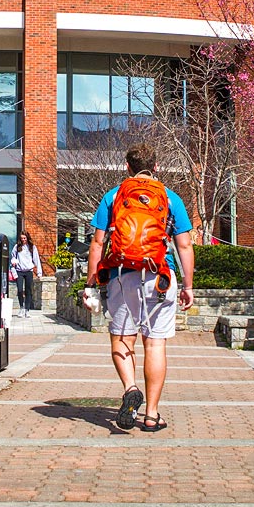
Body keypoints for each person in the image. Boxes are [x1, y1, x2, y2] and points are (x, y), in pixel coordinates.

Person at [85, 143, 195, 433]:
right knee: (154, 343)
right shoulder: (170, 198)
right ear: (156, 166)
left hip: (123, 275)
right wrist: (188, 285)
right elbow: (184, 245)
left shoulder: (113, 197)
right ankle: (151, 414)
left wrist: (91, 284)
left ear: (128, 167)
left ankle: (130, 388)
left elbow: (97, 243)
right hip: (159, 275)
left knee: (122, 338)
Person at [9, 231, 41, 318]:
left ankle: (27, 310)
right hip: (19, 271)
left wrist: (39, 272)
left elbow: (36, 259)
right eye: (22, 238)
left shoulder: (32, 247)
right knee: (19, 290)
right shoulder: (17, 247)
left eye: (24, 238)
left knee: (28, 291)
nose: (23, 240)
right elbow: (13, 257)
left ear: (27, 238)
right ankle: (21, 307)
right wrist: (14, 262)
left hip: (28, 271)